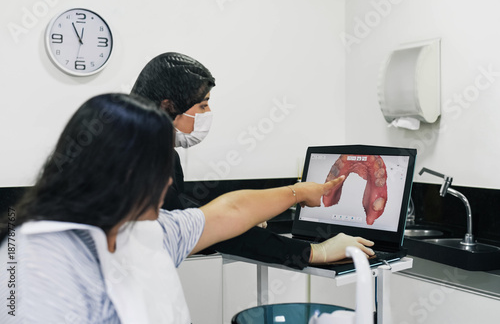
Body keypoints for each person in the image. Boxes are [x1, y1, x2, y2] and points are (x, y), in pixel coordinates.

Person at [0, 93, 362, 323]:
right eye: (160, 168)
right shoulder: (39, 259)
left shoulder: (146, 232)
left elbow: (230, 211)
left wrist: (300, 193)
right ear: (125, 171)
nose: (169, 182)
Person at [130, 52, 375, 268]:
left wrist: (239, 221)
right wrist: (316, 251)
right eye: (202, 106)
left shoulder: (158, 152)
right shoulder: (142, 158)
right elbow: (202, 226)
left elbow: (189, 219)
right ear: (169, 105)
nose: (208, 114)